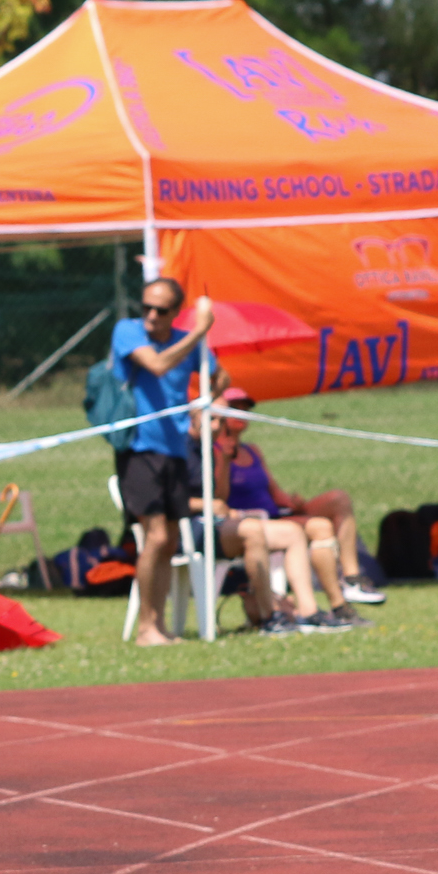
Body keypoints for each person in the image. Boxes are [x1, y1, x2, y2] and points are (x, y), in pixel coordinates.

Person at [109, 277, 216, 646]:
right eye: (146, 307)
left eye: (161, 310)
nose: (151, 316)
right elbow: (156, 365)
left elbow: (219, 376)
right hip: (139, 449)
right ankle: (145, 627)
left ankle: (160, 625)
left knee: (169, 540)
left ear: (175, 312)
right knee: (154, 536)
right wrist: (199, 331)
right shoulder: (128, 331)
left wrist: (201, 408)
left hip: (175, 450)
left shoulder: (186, 342)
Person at [203, 390, 351, 632]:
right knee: (293, 531)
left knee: (326, 519)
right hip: (242, 522)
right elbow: (219, 499)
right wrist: (226, 460)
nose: (241, 414)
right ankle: (283, 612)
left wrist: (295, 504)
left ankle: (341, 600)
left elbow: (274, 492)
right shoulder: (213, 451)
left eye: (245, 408)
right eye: (234, 408)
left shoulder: (252, 451)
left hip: (273, 516)